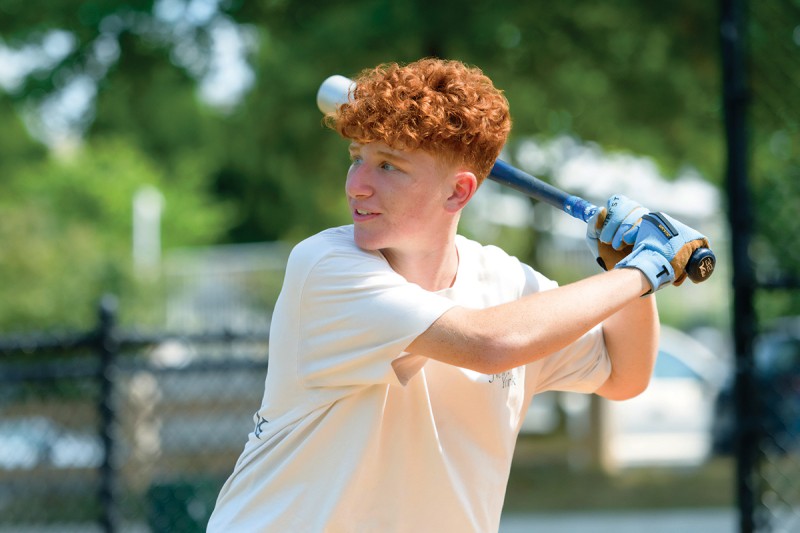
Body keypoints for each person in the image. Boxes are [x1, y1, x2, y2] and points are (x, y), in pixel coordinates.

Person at [207, 58, 709, 532]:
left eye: (388, 166)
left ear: (458, 192)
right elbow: (486, 345)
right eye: (357, 158)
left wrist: (624, 269)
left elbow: (625, 374)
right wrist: (645, 271)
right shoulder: (326, 268)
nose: (357, 185)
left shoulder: (508, 283)